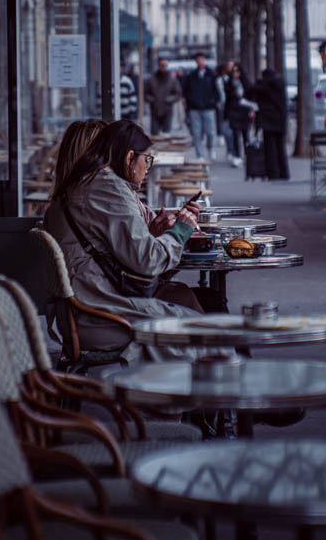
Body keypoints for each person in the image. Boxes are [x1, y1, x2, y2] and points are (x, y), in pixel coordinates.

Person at [44, 119, 216, 362]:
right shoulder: (105, 186)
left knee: (193, 302)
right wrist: (181, 231)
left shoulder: (82, 184)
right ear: (129, 158)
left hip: (85, 309)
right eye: (147, 160)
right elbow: (148, 260)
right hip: (100, 317)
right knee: (206, 334)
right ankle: (219, 390)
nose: (148, 168)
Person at [253, 68, 290, 180]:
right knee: (280, 148)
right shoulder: (280, 85)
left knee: (270, 149)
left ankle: (273, 173)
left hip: (268, 120)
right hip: (280, 120)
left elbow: (252, 89)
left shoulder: (265, 86)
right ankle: (284, 173)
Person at [183, 52, 218, 160]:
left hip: (208, 108)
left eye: (201, 59)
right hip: (195, 109)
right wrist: (191, 103)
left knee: (210, 132)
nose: (200, 61)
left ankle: (210, 147)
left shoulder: (211, 74)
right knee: (196, 134)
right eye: (198, 59)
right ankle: (200, 155)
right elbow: (186, 91)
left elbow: (217, 91)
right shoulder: (191, 76)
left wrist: (213, 102)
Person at [225, 63, 255, 167]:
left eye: (237, 71)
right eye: (233, 71)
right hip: (234, 111)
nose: (235, 73)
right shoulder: (229, 84)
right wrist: (226, 114)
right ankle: (237, 156)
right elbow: (227, 100)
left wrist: (252, 110)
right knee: (235, 135)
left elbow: (252, 97)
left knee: (245, 135)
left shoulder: (247, 83)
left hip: (245, 111)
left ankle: (248, 156)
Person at [145, 57, 183, 134]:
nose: (163, 67)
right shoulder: (151, 79)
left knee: (166, 135)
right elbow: (145, 93)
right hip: (155, 110)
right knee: (154, 135)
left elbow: (178, 93)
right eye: (161, 65)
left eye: (165, 65)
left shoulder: (172, 79)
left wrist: (170, 99)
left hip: (167, 110)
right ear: (158, 65)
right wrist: (152, 99)